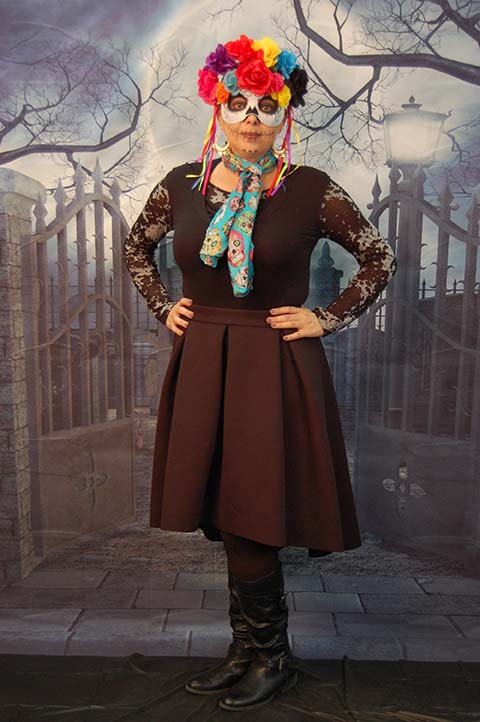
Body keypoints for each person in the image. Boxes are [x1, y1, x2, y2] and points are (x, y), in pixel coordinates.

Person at [122, 33, 397, 712]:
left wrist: (325, 318)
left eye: (266, 105)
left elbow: (379, 258)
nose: (251, 117)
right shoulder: (181, 184)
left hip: (272, 366)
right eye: (238, 103)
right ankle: (247, 652)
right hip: (202, 360)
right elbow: (135, 248)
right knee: (222, 507)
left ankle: (269, 657)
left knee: (251, 508)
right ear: (218, 106)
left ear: (285, 113)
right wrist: (162, 305)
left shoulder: (311, 190)